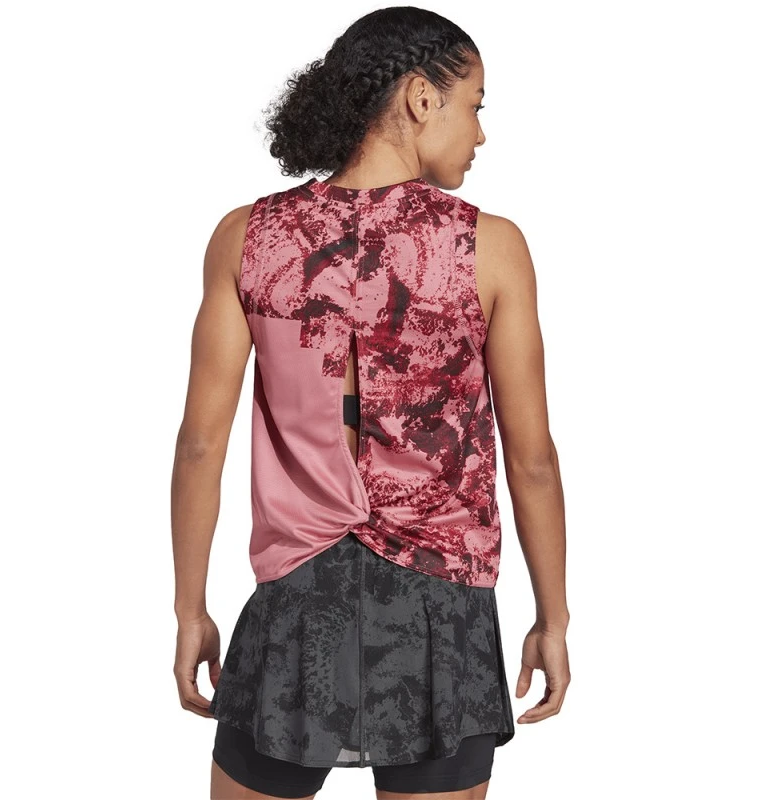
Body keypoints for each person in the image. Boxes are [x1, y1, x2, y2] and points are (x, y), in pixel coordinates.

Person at [171, 6, 570, 799]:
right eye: (475, 105)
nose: (481, 133)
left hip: (296, 595)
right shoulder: (491, 247)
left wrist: (190, 609)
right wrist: (553, 619)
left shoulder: (248, 237)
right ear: (422, 98)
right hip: (442, 601)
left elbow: (199, 445)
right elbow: (532, 460)